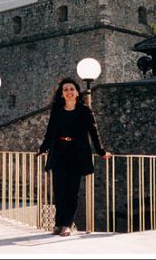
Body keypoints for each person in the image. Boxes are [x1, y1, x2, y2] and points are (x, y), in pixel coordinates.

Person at [38, 77, 110, 237]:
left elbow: (94, 133)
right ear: (62, 94)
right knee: (59, 189)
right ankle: (58, 223)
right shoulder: (56, 110)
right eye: (65, 90)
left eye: (72, 89)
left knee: (72, 190)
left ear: (77, 92)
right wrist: (43, 148)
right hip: (59, 152)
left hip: (76, 153)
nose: (69, 92)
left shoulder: (85, 110)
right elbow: (50, 131)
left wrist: (101, 151)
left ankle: (66, 224)